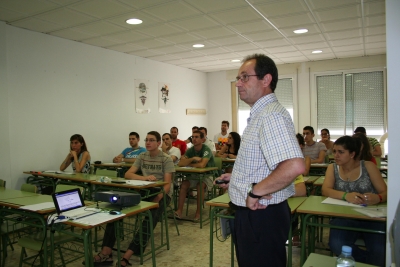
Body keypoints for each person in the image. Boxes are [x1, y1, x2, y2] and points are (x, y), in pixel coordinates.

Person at [214, 54, 305, 267]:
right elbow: (261, 164)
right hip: (260, 213)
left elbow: (294, 165)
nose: (238, 83)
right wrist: (237, 178)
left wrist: (255, 191)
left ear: (266, 80)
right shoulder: (261, 114)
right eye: (238, 78)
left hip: (261, 215)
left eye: (245, 77)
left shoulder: (270, 115)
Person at [91, 131, 175, 266]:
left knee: (150, 214)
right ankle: (106, 252)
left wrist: (157, 200)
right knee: (116, 207)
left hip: (162, 193)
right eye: (146, 140)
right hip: (144, 190)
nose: (148, 142)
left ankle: (127, 255)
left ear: (159, 143)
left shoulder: (166, 158)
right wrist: (145, 178)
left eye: (152, 140)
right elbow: (128, 174)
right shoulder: (142, 156)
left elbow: (167, 186)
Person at [321, 136, 387, 266]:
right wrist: (346, 196)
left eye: (341, 152)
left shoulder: (368, 166)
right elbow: (325, 190)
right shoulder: (332, 168)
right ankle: (367, 262)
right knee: (336, 244)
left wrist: (377, 197)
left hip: (371, 217)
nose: (336, 155)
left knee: (379, 250)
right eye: (334, 151)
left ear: (352, 154)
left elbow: (386, 192)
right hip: (345, 217)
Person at [175, 130, 216, 222]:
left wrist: (188, 164)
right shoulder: (190, 151)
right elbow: (181, 163)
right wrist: (192, 158)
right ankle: (179, 211)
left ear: (202, 139)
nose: (194, 139)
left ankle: (198, 212)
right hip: (194, 175)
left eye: (197, 137)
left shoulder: (206, 149)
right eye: (193, 137)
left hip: (208, 176)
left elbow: (202, 165)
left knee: (200, 185)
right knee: (184, 184)